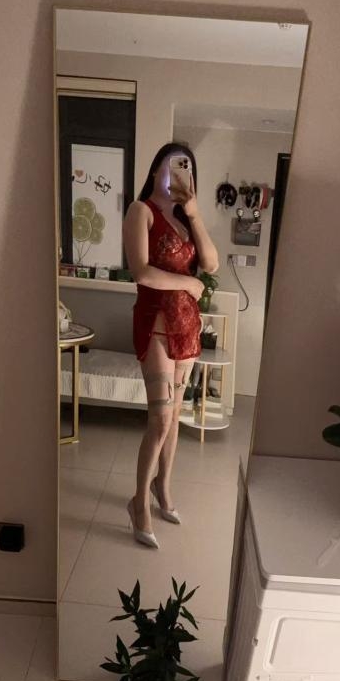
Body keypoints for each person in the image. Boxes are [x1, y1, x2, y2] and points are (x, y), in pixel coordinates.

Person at [122, 143, 219, 548]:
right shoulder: (140, 211)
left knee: (176, 417)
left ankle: (163, 488)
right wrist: (189, 283)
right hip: (156, 326)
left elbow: (211, 264)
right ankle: (138, 502)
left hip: (187, 329)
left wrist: (194, 213)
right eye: (173, 164)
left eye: (187, 167)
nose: (180, 171)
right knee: (160, 421)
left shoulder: (185, 218)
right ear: (156, 169)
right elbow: (142, 273)